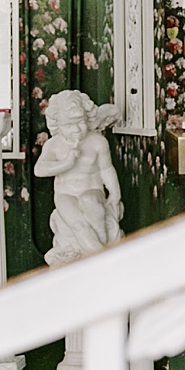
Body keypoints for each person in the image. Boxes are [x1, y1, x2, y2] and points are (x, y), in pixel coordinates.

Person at [34, 90, 123, 265]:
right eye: (69, 125)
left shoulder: (97, 142)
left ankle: (99, 251)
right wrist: (66, 163)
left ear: (87, 118)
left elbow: (106, 169)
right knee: (78, 224)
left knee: (90, 201)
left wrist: (115, 194)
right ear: (57, 125)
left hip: (92, 190)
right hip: (65, 195)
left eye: (80, 122)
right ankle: (101, 258)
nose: (76, 129)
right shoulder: (54, 145)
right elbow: (39, 169)